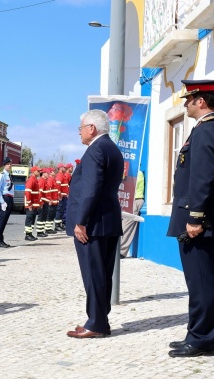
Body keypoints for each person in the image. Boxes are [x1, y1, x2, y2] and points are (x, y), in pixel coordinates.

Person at [167, 80, 214, 357]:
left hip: (197, 221)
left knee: (203, 280)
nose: (186, 104)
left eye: (189, 99)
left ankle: (202, 339)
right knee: (198, 280)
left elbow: (202, 177)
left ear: (201, 101)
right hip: (196, 217)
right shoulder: (208, 129)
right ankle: (197, 332)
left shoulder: (207, 130)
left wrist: (195, 217)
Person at [66, 109, 123, 339]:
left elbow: (90, 189)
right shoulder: (111, 148)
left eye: (81, 128)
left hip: (93, 224)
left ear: (92, 128)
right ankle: (98, 318)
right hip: (106, 221)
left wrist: (81, 221)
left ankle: (97, 323)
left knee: (93, 274)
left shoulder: (95, 150)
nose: (79, 133)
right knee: (102, 274)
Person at [120, 171, 145, 258]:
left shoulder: (137, 173)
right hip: (127, 200)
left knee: (126, 226)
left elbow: (130, 186)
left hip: (134, 200)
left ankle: (121, 251)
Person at [0, 157, 14, 248]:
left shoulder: (9, 175)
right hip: (4, 198)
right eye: (7, 164)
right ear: (4, 165)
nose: (9, 165)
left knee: (5, 220)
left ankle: (1, 239)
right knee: (2, 220)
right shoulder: (1, 175)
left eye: (10, 164)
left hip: (9, 198)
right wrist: (2, 202)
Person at [24, 166, 41, 241]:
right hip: (30, 204)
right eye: (38, 171)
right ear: (34, 171)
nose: (39, 172)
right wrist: (29, 203)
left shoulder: (35, 180)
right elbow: (27, 192)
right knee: (29, 218)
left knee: (32, 219)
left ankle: (30, 234)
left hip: (34, 203)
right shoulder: (31, 180)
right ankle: (27, 235)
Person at [54, 164, 67, 231]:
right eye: (64, 167)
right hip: (61, 196)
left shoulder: (62, 175)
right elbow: (57, 185)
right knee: (59, 210)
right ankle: (57, 225)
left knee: (61, 210)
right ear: (61, 168)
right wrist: (59, 194)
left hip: (64, 195)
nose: (65, 168)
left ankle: (59, 224)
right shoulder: (59, 175)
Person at [46, 168, 59, 233]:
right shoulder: (50, 180)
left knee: (52, 215)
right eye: (53, 171)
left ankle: (50, 228)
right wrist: (50, 200)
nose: (54, 172)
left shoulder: (53, 180)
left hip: (54, 201)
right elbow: (49, 191)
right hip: (52, 201)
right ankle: (47, 229)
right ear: (50, 173)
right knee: (50, 215)